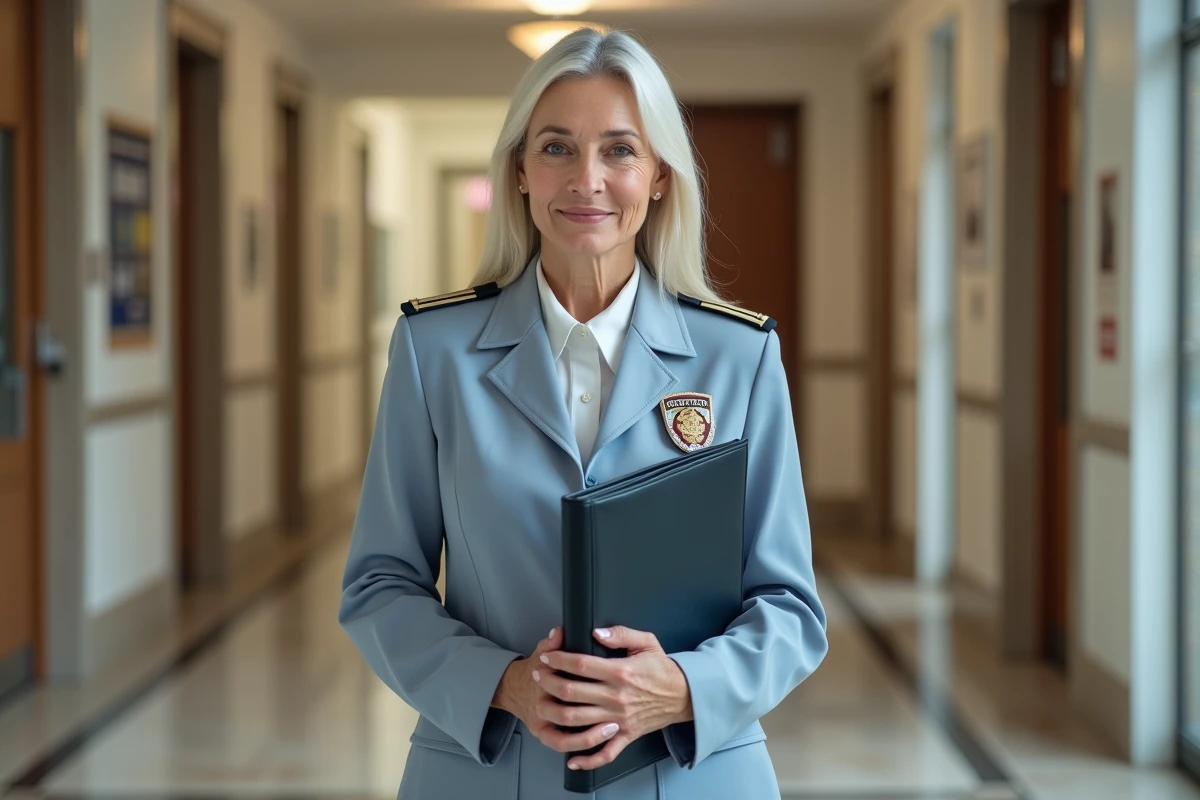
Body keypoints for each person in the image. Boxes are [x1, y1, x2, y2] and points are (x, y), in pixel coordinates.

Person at [338, 27, 828, 800]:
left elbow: (791, 608)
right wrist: (506, 683)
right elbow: (379, 583)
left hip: (692, 777)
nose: (586, 180)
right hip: (489, 774)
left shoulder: (739, 356)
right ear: (520, 171)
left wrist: (681, 688)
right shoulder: (434, 352)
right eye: (557, 148)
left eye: (619, 151)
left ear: (659, 175)